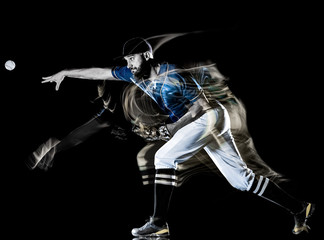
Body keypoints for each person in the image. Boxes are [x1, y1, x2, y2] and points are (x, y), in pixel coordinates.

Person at [41, 37, 315, 237]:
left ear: (146, 56)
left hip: (209, 117)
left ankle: (158, 222)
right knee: (241, 181)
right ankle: (299, 208)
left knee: (164, 156)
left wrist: (173, 129)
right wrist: (65, 72)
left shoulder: (172, 74)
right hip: (204, 124)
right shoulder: (135, 75)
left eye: (133, 58)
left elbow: (201, 106)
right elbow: (100, 72)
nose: (128, 63)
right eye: (126, 60)